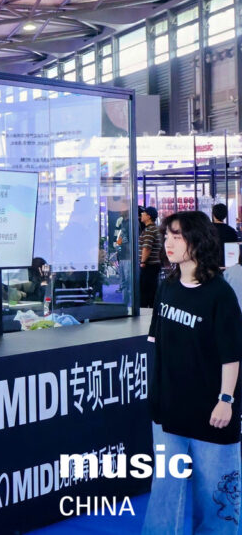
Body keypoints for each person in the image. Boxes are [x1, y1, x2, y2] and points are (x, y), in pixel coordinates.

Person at [144, 210, 242, 534]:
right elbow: (158, 347)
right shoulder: (167, 287)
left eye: (177, 236)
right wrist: (156, 397)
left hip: (212, 413)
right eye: (167, 236)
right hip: (169, 413)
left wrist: (225, 400)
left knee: (217, 499)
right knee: (164, 495)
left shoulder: (220, 295)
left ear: (197, 240)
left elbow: (232, 356)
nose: (169, 242)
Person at [139, 206, 162, 309]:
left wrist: (143, 262)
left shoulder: (149, 230)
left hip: (149, 265)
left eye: (143, 213)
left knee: (146, 291)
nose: (141, 215)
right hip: (154, 264)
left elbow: (147, 247)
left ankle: (144, 311)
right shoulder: (154, 228)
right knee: (152, 289)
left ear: (148, 216)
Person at [212, 203, 238, 268]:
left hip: (210, 265)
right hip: (227, 265)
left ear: (213, 215)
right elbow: (234, 251)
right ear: (225, 215)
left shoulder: (207, 229)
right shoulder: (231, 231)